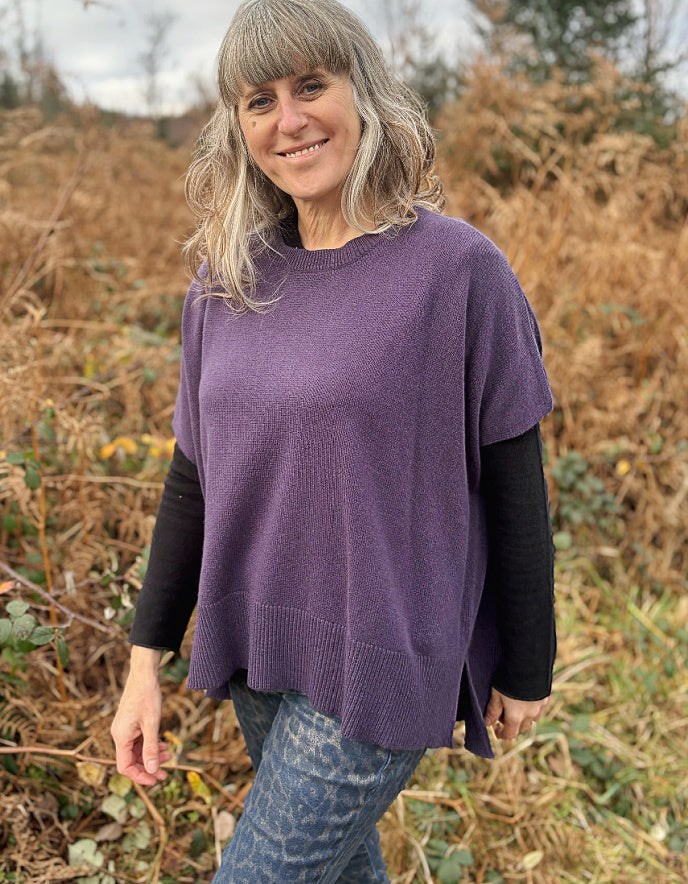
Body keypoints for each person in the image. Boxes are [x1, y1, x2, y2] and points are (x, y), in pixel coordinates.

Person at [111, 0, 556, 881]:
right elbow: (192, 479)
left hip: (384, 661)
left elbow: (516, 487)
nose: (291, 119)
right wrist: (142, 664)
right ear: (238, 130)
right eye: (260, 100)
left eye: (312, 85)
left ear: (366, 93)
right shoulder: (226, 282)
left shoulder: (458, 272)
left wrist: (528, 664)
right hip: (259, 651)